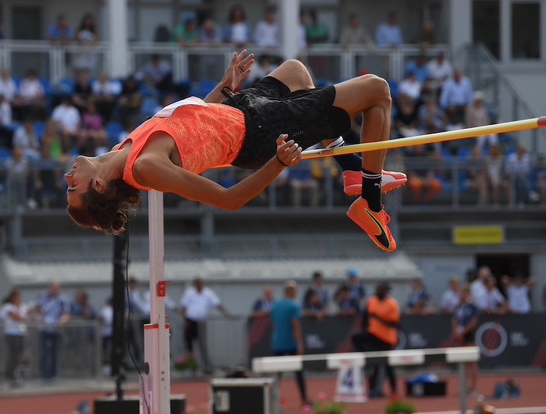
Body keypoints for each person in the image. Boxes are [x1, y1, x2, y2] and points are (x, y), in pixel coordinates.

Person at [65, 50, 407, 253]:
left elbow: (189, 122)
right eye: (72, 186)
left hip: (243, 108)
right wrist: (278, 162)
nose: (68, 176)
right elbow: (229, 201)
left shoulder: (121, 149)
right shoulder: (144, 168)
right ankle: (370, 202)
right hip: (260, 133)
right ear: (97, 186)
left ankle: (350, 167)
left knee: (296, 71)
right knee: (377, 91)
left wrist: (224, 86)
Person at [352, 282, 400, 398]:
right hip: (374, 335)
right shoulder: (372, 302)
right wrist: (366, 328)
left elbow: (395, 323)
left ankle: (394, 389)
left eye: (384, 290)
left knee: (388, 365)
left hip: (387, 339)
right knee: (357, 339)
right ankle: (373, 389)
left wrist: (379, 318)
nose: (381, 292)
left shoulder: (392, 304)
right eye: (380, 289)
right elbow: (366, 317)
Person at [179, 277, 234, 375]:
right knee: (189, 345)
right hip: (190, 321)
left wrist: (228, 315)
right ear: (195, 285)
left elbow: (217, 304)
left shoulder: (208, 293)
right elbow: (184, 307)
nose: (201, 286)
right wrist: (185, 321)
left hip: (201, 322)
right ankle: (190, 368)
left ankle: (206, 367)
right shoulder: (189, 292)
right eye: (199, 284)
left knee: (203, 345)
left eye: (202, 284)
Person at [270, 281, 310, 406]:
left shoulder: (276, 306)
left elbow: (274, 324)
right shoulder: (295, 306)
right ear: (292, 292)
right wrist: (300, 344)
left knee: (277, 375)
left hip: (278, 343)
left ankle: (272, 401)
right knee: (299, 373)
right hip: (291, 343)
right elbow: (296, 326)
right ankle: (304, 399)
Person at [33, 281, 71, 381]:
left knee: (55, 352)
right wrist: (39, 319)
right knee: (44, 352)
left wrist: (61, 323)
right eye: (52, 288)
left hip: (56, 330)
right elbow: (37, 310)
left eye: (56, 288)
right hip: (45, 329)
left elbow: (67, 314)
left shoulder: (63, 299)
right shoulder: (44, 298)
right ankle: (45, 374)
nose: (54, 290)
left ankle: (53, 374)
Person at [452, 285, 479, 397]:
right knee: (463, 364)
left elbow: (474, 322)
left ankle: (473, 388)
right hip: (461, 337)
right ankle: (465, 388)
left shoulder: (473, 307)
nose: (460, 295)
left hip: (469, 337)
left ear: (467, 293)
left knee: (472, 363)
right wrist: (457, 332)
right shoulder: (460, 307)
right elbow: (455, 321)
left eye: (462, 293)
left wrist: (463, 333)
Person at [0, 289, 27, 387]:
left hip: (20, 333)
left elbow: (25, 318)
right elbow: (15, 317)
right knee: (12, 356)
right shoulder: (7, 307)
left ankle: (16, 375)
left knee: (18, 356)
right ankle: (9, 376)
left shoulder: (23, 307)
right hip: (11, 334)